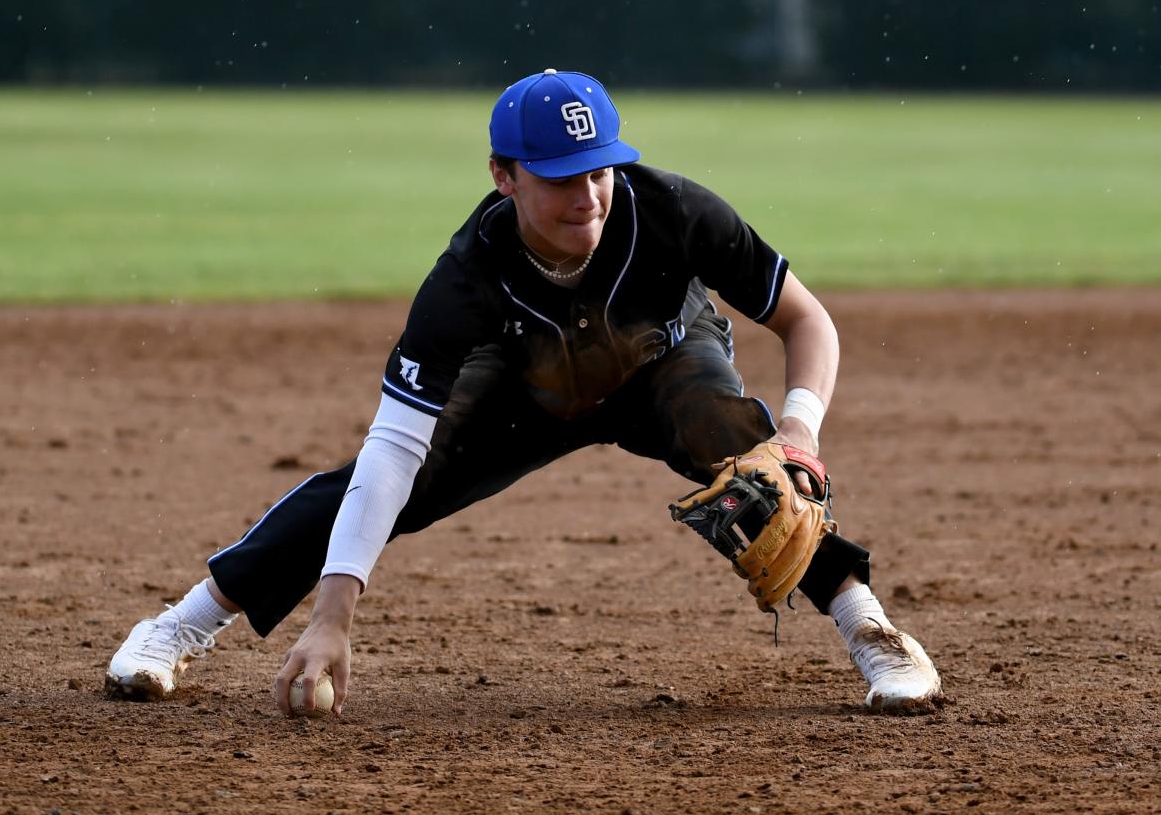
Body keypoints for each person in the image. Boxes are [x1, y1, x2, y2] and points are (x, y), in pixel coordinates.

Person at [105, 69, 941, 716]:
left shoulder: (676, 211)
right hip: (523, 389)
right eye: (558, 178)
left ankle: (870, 628)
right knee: (398, 477)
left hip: (664, 363)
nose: (588, 197)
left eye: (600, 171)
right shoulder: (465, 279)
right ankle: (180, 624)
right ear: (504, 176)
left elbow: (807, 321)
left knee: (742, 453)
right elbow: (392, 452)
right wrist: (331, 619)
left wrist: (797, 435)